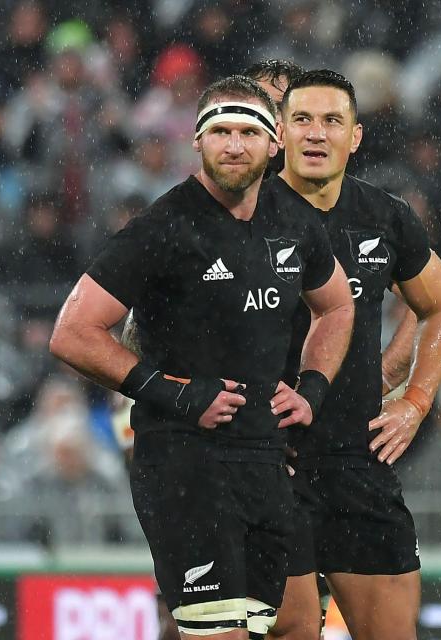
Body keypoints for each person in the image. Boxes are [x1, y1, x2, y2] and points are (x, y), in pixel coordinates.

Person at [50, 75, 355, 640]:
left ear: (275, 144)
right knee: (217, 634)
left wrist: (312, 389)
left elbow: (337, 307)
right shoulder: (162, 228)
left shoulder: (295, 223)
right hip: (184, 463)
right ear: (196, 141)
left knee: (279, 629)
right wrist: (177, 394)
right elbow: (72, 332)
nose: (233, 145)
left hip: (265, 461)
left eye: (247, 132)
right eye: (219, 132)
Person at [269, 70, 441, 640]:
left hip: (358, 461)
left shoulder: (385, 215)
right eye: (302, 119)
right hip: (269, 465)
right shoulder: (242, 216)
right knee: (293, 629)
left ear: (355, 136)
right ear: (280, 132)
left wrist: (415, 398)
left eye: (332, 121)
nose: (316, 133)